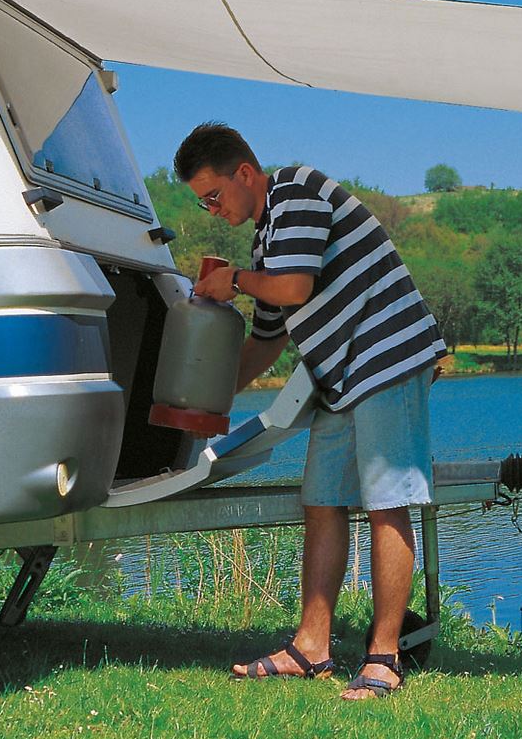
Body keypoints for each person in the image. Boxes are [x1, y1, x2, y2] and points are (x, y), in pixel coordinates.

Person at [173, 123, 447, 700]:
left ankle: (384, 658)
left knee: (386, 500)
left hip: (387, 356)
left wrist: (235, 283)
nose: (212, 209)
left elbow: (294, 287)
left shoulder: (296, 190)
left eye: (214, 196)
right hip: (342, 376)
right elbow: (268, 340)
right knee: (322, 499)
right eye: (203, 202)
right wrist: (204, 400)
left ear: (245, 174)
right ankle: (312, 647)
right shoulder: (263, 241)